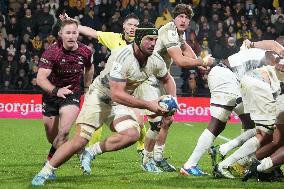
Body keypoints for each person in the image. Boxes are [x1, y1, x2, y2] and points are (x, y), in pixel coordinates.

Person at [31, 22, 177, 186]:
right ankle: (46, 171)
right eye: (149, 39)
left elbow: (167, 79)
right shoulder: (123, 57)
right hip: (99, 98)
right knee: (81, 139)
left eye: (155, 39)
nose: (153, 43)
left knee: (132, 134)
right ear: (138, 38)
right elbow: (117, 93)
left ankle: (91, 152)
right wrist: (149, 105)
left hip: (118, 102)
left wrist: (172, 99)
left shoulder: (155, 60)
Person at [138, 3, 214, 173]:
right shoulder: (169, 31)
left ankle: (158, 158)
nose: (183, 20)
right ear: (174, 18)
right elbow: (180, 60)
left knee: (168, 119)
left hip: (163, 77)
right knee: (156, 123)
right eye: (180, 16)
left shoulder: (180, 33)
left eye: (187, 18)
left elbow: (185, 47)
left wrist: (199, 65)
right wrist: (202, 62)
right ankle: (146, 160)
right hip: (149, 78)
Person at [60, 13, 146, 155]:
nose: (132, 28)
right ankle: (89, 152)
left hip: (133, 88)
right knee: (96, 121)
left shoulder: (142, 43)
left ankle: (142, 148)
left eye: (136, 26)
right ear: (124, 26)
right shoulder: (114, 38)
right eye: (130, 24)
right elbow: (92, 33)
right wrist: (72, 24)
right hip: (112, 88)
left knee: (140, 123)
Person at [215, 39, 284, 179]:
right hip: (260, 84)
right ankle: (227, 165)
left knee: (269, 131)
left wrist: (252, 44)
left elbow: (275, 49)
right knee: (267, 133)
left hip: (253, 80)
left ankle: (226, 149)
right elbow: (276, 50)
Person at [36, 19, 94, 161]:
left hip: (72, 93)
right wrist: (57, 90)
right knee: (53, 138)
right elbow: (40, 79)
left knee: (64, 132)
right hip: (51, 95)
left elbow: (90, 68)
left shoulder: (86, 51)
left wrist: (86, 88)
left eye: (74, 32)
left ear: (78, 34)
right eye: (67, 33)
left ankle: (49, 166)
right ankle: (77, 149)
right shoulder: (51, 52)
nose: (71, 36)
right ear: (61, 34)